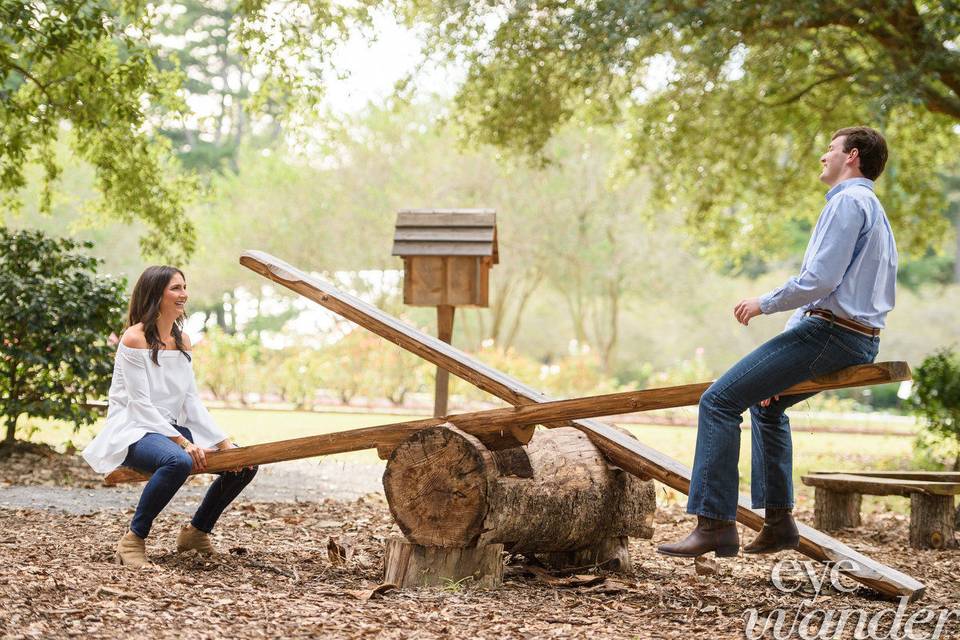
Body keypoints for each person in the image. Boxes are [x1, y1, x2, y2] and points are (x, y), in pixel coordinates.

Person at [657, 126, 897, 558]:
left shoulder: (848, 202)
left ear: (853, 156)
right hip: (852, 337)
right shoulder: (872, 208)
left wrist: (763, 303)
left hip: (833, 334)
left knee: (718, 401)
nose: (824, 156)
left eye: (831, 149)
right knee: (765, 405)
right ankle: (780, 523)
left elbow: (820, 281)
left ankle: (713, 524)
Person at [82, 266, 258, 567]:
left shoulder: (183, 341)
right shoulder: (134, 339)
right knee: (178, 460)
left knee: (243, 464)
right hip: (134, 430)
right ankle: (133, 539)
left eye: (184, 287)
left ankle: (196, 532)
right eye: (175, 288)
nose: (184, 294)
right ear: (155, 294)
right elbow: (140, 406)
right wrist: (181, 443)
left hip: (171, 429)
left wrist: (225, 443)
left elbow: (191, 402)